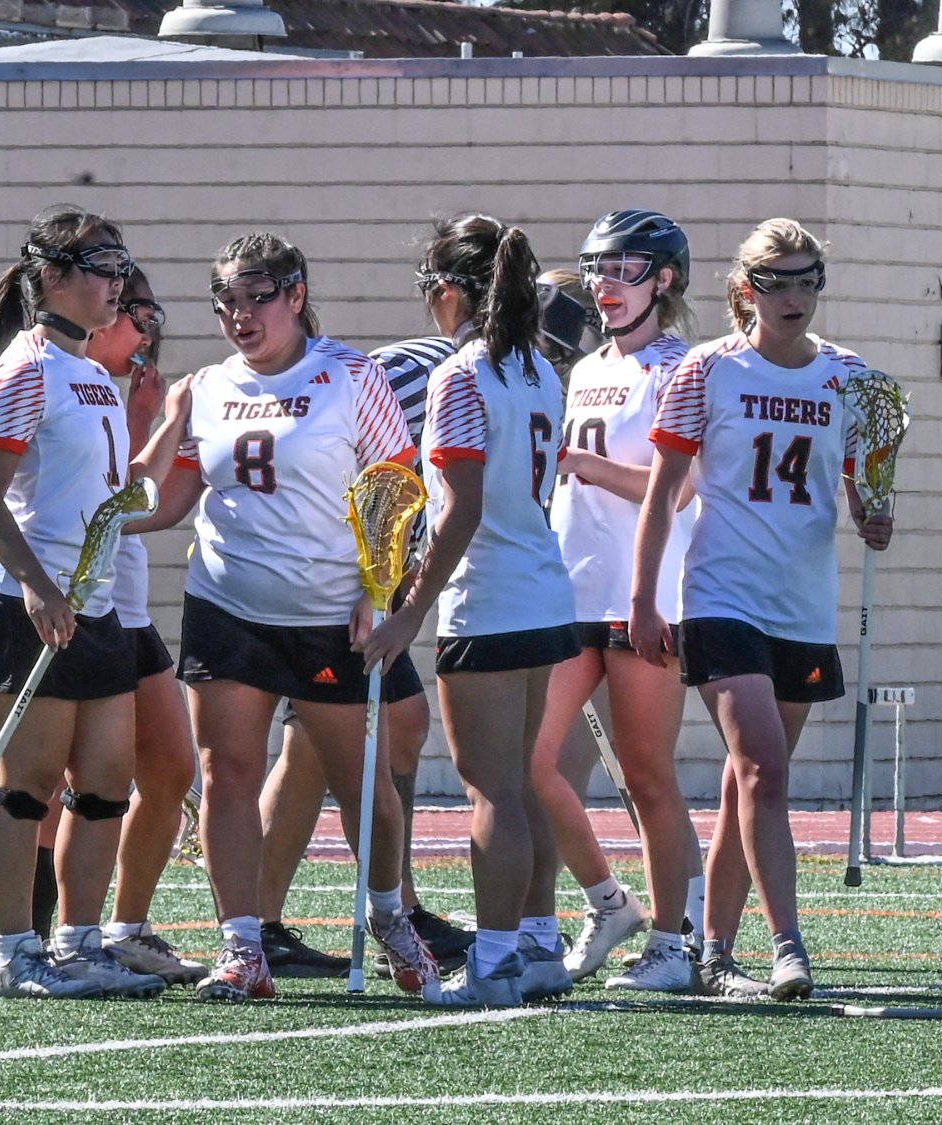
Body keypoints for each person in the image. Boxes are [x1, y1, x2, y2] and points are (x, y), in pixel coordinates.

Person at [128, 232, 440, 1003]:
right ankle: (243, 944)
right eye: (226, 300)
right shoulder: (208, 386)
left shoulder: (349, 374)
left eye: (257, 296)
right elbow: (170, 499)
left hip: (326, 609)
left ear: (295, 295)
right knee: (228, 771)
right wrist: (103, 519)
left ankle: (391, 916)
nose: (240, 315)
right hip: (228, 604)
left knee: (360, 781)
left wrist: (380, 592)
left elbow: (396, 488)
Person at [629, 218, 893, 1002]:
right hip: (722, 595)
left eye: (809, 278)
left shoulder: (847, 376)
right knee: (764, 769)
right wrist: (644, 598)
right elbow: (660, 493)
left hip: (802, 604)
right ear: (745, 290)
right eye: (777, 281)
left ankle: (712, 951)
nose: (796, 296)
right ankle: (789, 946)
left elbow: (859, 491)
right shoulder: (708, 370)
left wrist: (875, 515)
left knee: (748, 786)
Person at [0, 206, 159, 1000]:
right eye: (103, 267)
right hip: (25, 607)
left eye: (122, 268)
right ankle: (12, 954)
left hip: (90, 608)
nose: (117, 284)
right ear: (53, 275)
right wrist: (38, 583)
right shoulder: (22, 368)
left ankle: (78, 943)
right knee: (30, 786)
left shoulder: (94, 372)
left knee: (106, 786)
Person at [248, 241, 493, 978]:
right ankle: (393, 909)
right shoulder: (413, 365)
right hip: (326, 574)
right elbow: (341, 458)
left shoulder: (476, 371)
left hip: (361, 579)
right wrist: (364, 577)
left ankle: (267, 920)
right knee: (369, 729)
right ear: (447, 295)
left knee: (322, 746)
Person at [363, 215, 578, 1008]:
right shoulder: (539, 369)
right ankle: (538, 943)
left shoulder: (462, 374)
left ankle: (492, 965)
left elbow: (459, 510)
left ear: (448, 292)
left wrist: (409, 611)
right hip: (541, 587)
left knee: (492, 789)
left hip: (487, 596)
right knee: (520, 782)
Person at [532, 211, 705, 991]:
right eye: (596, 269)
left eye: (623, 269)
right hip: (570, 590)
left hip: (646, 598)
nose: (604, 285)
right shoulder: (585, 367)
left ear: (663, 279)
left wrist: (584, 467)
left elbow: (678, 490)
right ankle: (609, 901)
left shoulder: (680, 368)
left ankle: (674, 942)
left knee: (647, 776)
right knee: (529, 763)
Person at [24, 266, 206, 986]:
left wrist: (155, 417)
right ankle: (41, 933)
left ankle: (120, 928)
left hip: (124, 608)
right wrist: (163, 424)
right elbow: (123, 498)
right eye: (139, 318)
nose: (147, 335)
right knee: (51, 783)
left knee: (165, 770)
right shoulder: (59, 377)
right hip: (79, 602)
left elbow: (135, 499)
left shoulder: (108, 386)